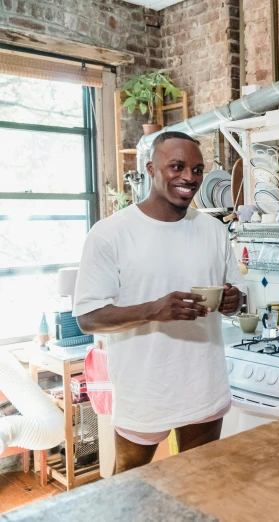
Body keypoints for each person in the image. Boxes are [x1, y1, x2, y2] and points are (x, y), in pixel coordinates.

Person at [73, 132, 245, 473]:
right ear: (151, 168)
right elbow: (88, 318)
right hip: (145, 388)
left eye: (197, 170)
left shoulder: (214, 230)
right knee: (129, 489)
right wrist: (156, 309)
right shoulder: (111, 233)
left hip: (205, 384)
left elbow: (236, 297)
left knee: (202, 483)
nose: (189, 178)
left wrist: (232, 300)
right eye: (177, 166)